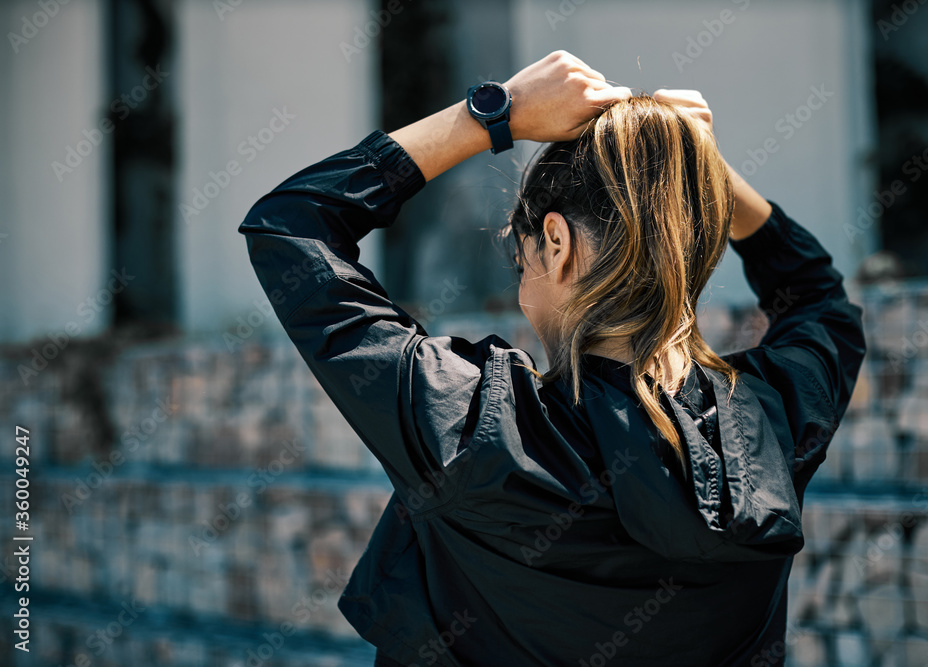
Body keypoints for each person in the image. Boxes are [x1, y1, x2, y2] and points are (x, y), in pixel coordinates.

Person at [238, 50, 866, 666]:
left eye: (521, 248)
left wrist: (490, 114)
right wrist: (696, 169)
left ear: (558, 244)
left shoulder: (468, 425)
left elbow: (292, 225)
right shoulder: (774, 419)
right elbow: (818, 295)